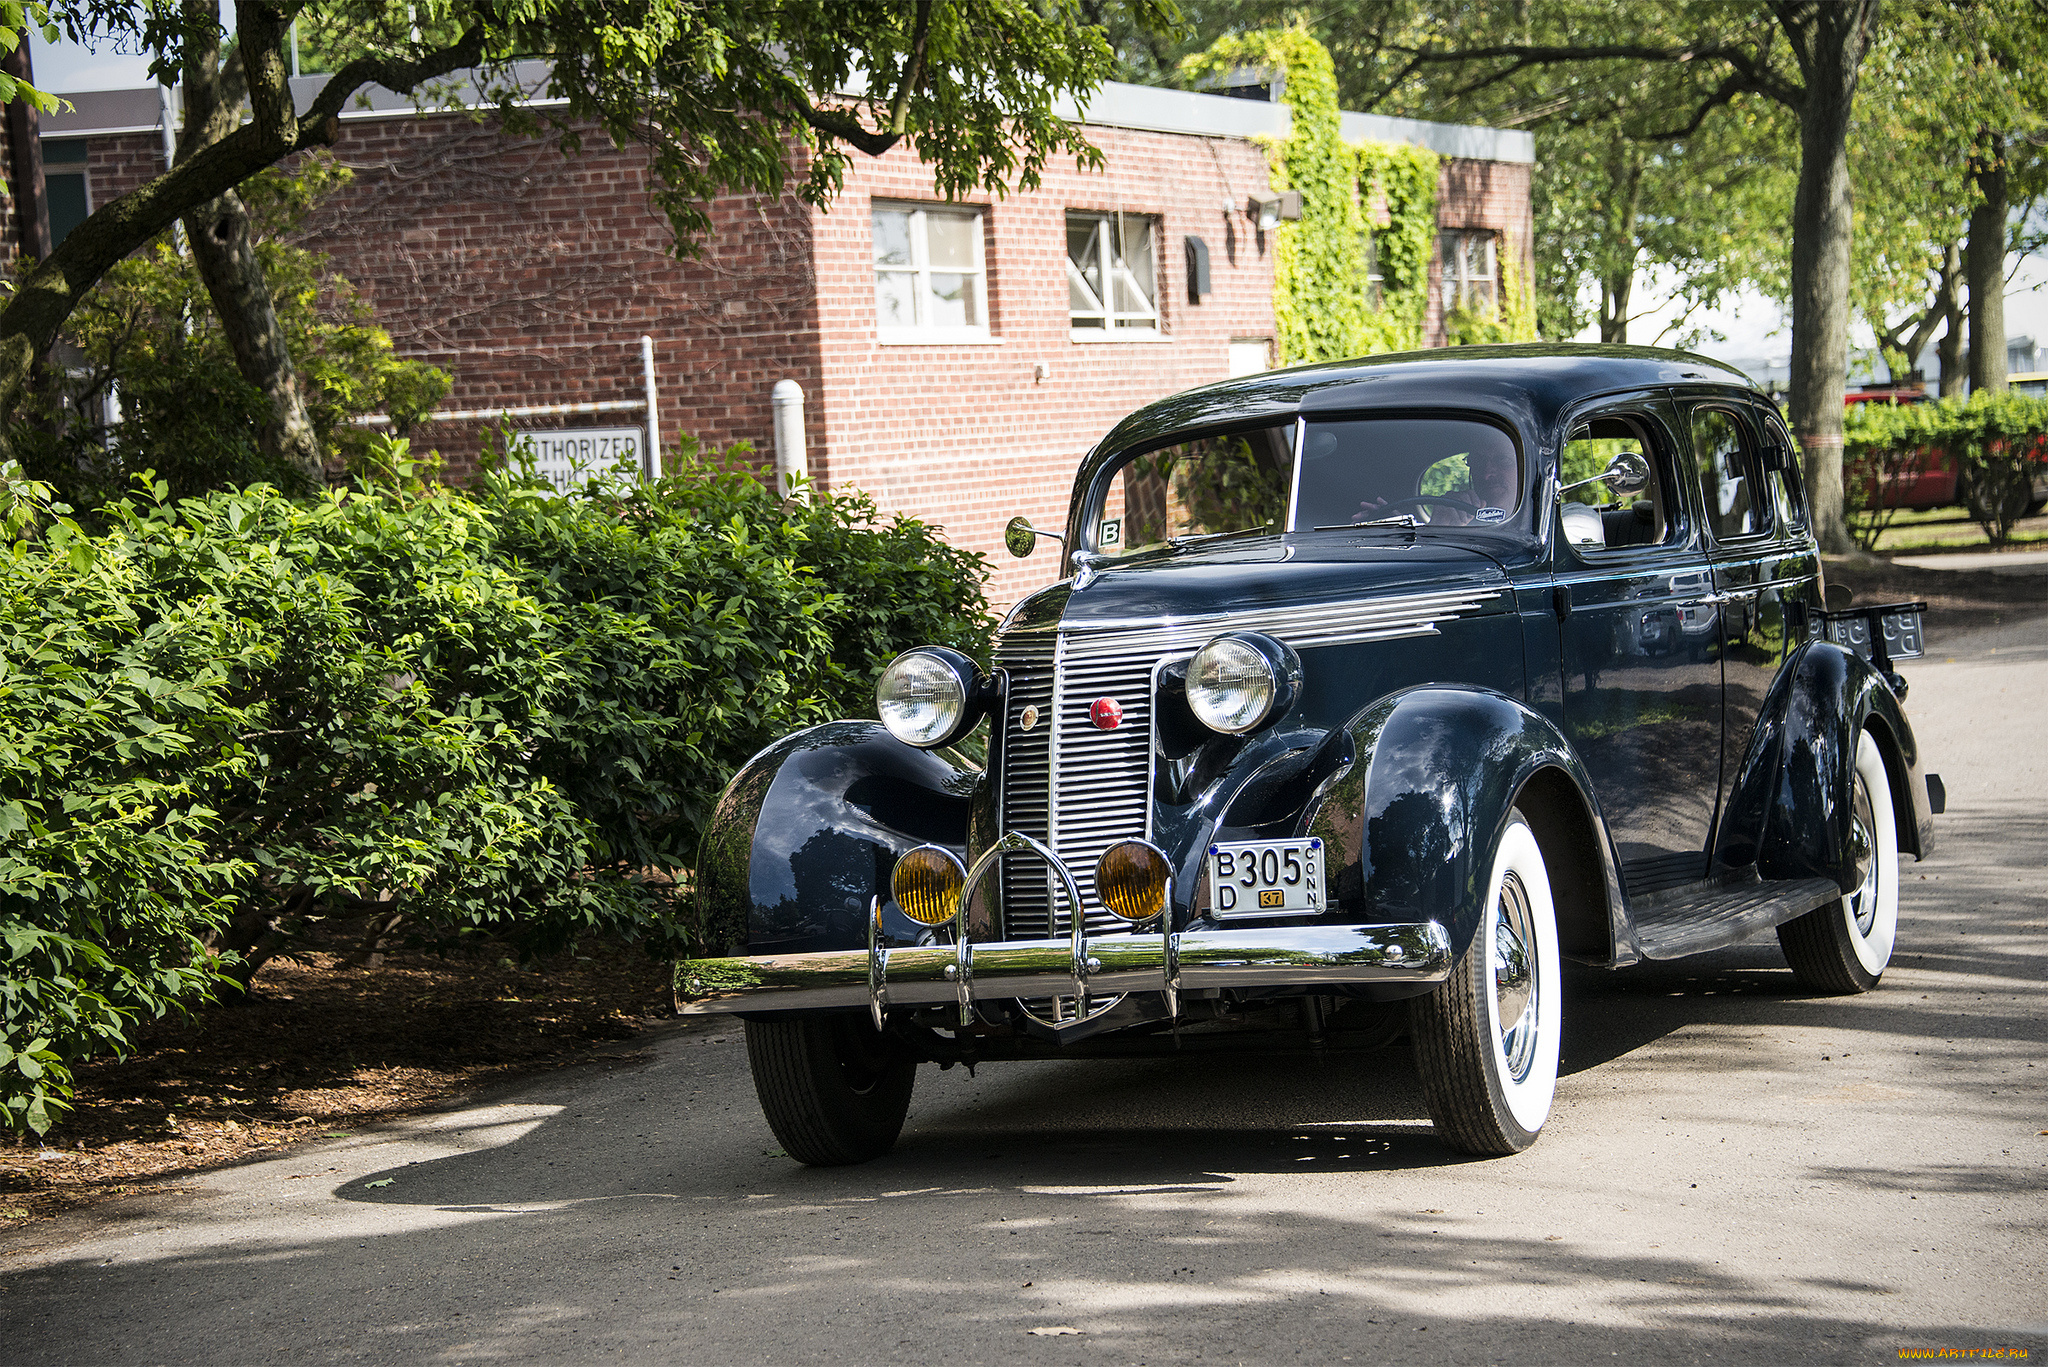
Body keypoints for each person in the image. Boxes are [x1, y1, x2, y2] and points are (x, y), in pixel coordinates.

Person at [1354, 445, 1519, 525]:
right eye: (1478, 461)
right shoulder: (1460, 518)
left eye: (1504, 460)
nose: (1487, 473)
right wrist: (1441, 526)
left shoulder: (1538, 528)